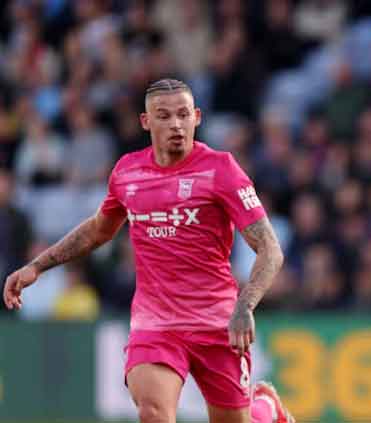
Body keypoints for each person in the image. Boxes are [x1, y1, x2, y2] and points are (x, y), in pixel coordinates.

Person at [3, 79, 294, 423]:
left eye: (184, 115)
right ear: (146, 121)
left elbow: (270, 249)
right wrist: (38, 266)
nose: (176, 124)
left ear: (197, 117)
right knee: (153, 413)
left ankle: (264, 408)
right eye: (164, 115)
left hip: (218, 321)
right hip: (156, 325)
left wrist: (245, 305)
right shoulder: (128, 172)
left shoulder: (221, 170)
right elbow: (99, 229)